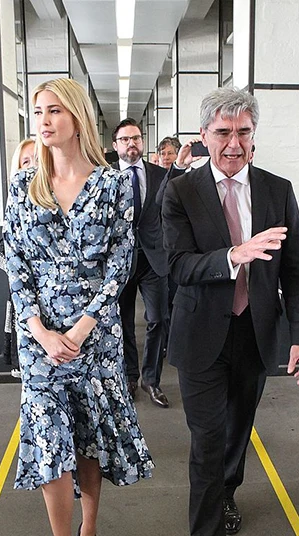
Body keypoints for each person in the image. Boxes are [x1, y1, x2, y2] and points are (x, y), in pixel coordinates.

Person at [2, 78, 154, 536]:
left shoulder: (112, 185)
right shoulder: (24, 188)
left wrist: (85, 324)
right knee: (50, 450)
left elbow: (121, 261)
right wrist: (40, 331)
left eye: (54, 111)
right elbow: (14, 264)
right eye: (37, 112)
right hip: (40, 343)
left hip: (96, 339)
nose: (43, 122)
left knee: (89, 440)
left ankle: (89, 531)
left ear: (78, 117)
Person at [162, 87, 299, 536]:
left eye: (243, 132)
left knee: (237, 428)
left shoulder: (277, 190)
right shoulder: (180, 192)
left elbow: (297, 273)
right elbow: (177, 265)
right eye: (223, 133)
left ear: (254, 136)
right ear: (203, 137)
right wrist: (234, 255)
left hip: (255, 336)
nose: (233, 143)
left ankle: (229, 489)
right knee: (205, 443)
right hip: (202, 336)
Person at [111, 119, 171, 408]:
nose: (131, 144)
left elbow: (176, 200)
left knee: (158, 318)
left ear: (142, 142)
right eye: (124, 139)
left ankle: (152, 379)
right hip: (120, 262)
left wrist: (181, 167)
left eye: (135, 138)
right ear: (116, 145)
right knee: (122, 324)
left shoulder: (161, 175)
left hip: (153, 259)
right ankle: (129, 377)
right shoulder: (105, 177)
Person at [0, 138, 37, 375]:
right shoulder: (15, 202)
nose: (32, 166)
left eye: (37, 159)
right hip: (24, 296)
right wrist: (18, 269)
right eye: (26, 161)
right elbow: (2, 250)